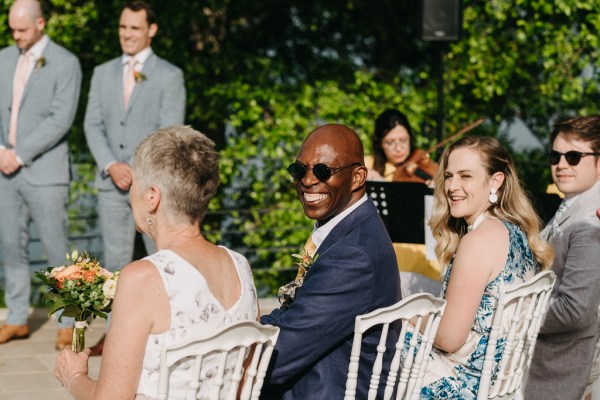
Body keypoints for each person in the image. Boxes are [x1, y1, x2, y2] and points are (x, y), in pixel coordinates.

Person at [53, 125, 259, 399]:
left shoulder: (143, 278)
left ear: (152, 197)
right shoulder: (240, 266)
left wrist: (74, 375)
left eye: (135, 183)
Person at [260, 123, 402, 399]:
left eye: (323, 171)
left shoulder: (352, 255)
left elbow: (279, 358)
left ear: (358, 177)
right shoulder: (354, 228)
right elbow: (298, 314)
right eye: (299, 170)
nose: (308, 181)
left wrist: (224, 346)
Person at [84, 0, 186, 354]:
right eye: (123, 27)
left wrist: (137, 169)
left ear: (151, 30)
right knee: (114, 263)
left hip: (153, 186)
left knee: (164, 257)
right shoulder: (102, 72)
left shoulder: (170, 75)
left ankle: (172, 330)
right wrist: (112, 164)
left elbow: (169, 131)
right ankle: (116, 335)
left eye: (134, 28)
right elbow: (92, 124)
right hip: (111, 184)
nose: (127, 35)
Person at [417, 136, 553, 399]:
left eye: (465, 176)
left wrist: (409, 314)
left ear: (495, 181)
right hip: (501, 383)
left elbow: (449, 338)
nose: (452, 186)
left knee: (376, 336)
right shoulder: (515, 232)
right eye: (448, 176)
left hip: (465, 384)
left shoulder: (477, 242)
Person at [0, 0, 81, 349]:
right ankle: (17, 317)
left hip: (45, 171)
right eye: (12, 30)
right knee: (10, 247)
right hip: (4, 170)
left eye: (21, 30)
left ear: (41, 23)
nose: (15, 36)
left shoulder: (66, 63)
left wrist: (18, 154)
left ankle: (69, 321)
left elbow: (61, 119)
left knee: (56, 250)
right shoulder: (2, 58)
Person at [525, 116, 600, 400]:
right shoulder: (573, 204)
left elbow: (574, 311)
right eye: (555, 156)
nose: (561, 164)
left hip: (557, 366)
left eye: (573, 156)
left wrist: (513, 314)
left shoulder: (591, 220)